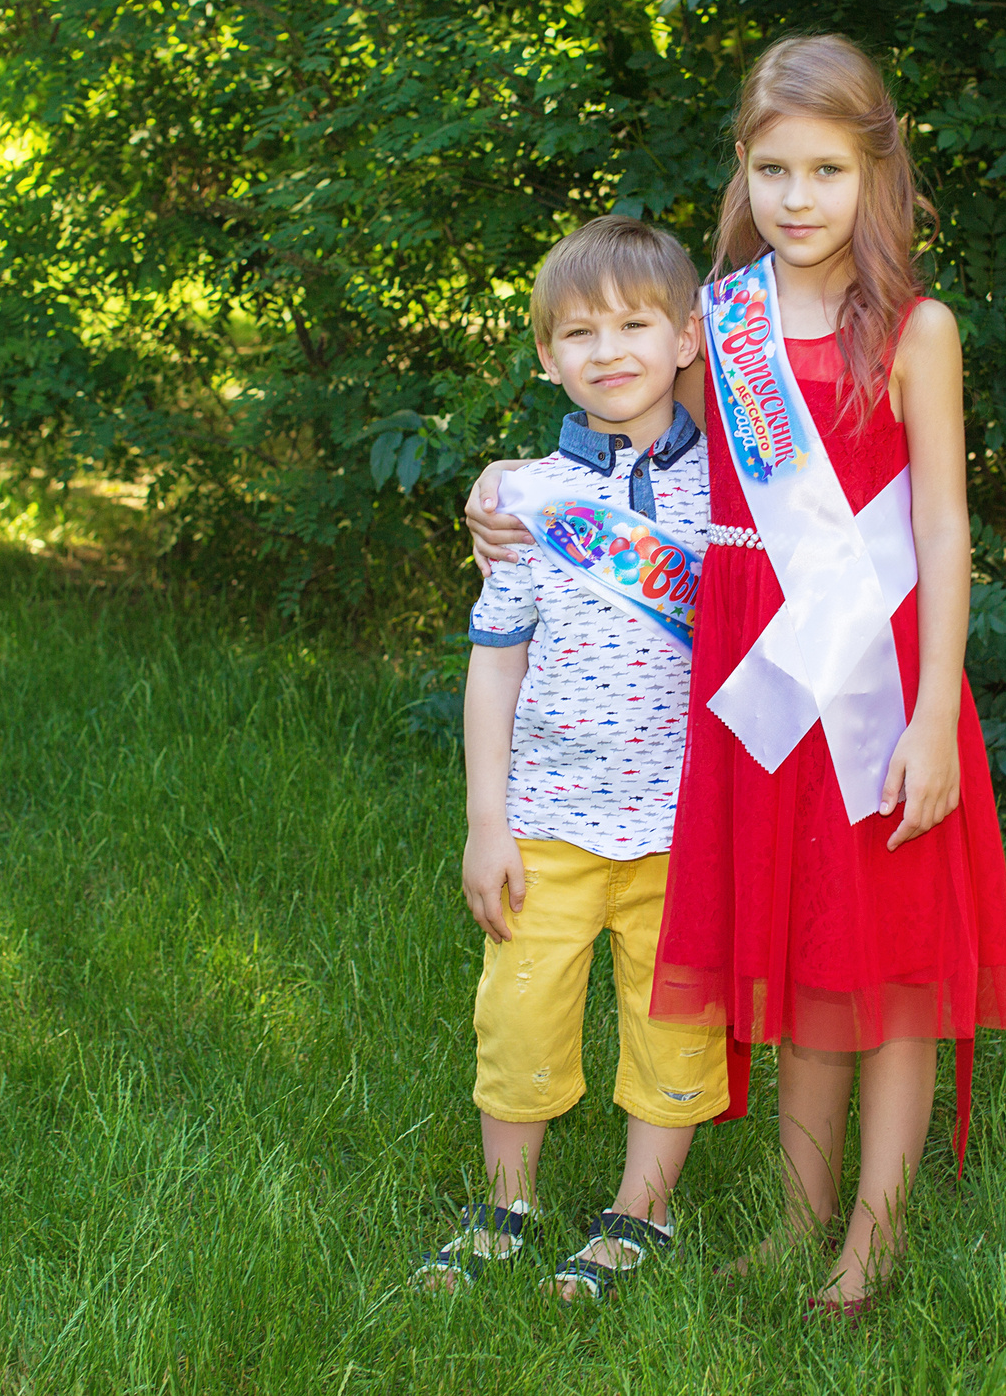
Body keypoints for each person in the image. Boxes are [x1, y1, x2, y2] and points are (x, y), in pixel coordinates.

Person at [464, 36, 1006, 1320]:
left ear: (875, 171)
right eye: (772, 168)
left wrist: (934, 712)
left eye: (827, 168)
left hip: (881, 678)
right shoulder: (717, 318)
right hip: (754, 670)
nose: (797, 196)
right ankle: (792, 1220)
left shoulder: (918, 328)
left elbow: (941, 527)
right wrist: (493, 495)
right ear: (741, 170)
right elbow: (627, 445)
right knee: (804, 943)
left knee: (886, 960)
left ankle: (872, 1237)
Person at [416, 214, 730, 1304]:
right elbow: (494, 661)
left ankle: (641, 1211)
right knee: (520, 1007)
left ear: (687, 337)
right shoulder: (523, 500)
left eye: (635, 324)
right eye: (579, 333)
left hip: (688, 824)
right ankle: (506, 1206)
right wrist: (485, 819)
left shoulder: (736, 496)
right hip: (548, 815)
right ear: (546, 357)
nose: (609, 351)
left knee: (674, 1018)